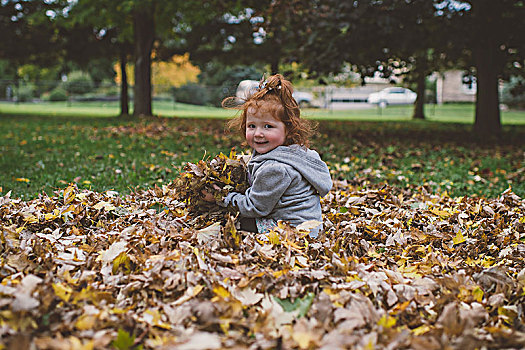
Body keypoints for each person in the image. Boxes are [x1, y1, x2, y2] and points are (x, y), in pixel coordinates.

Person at [207, 74, 332, 238]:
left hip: (295, 232)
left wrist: (221, 197)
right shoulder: (290, 152)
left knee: (230, 223)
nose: (258, 133)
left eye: (268, 126)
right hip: (301, 225)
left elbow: (254, 207)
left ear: (288, 129)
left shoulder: (276, 168)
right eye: (252, 126)